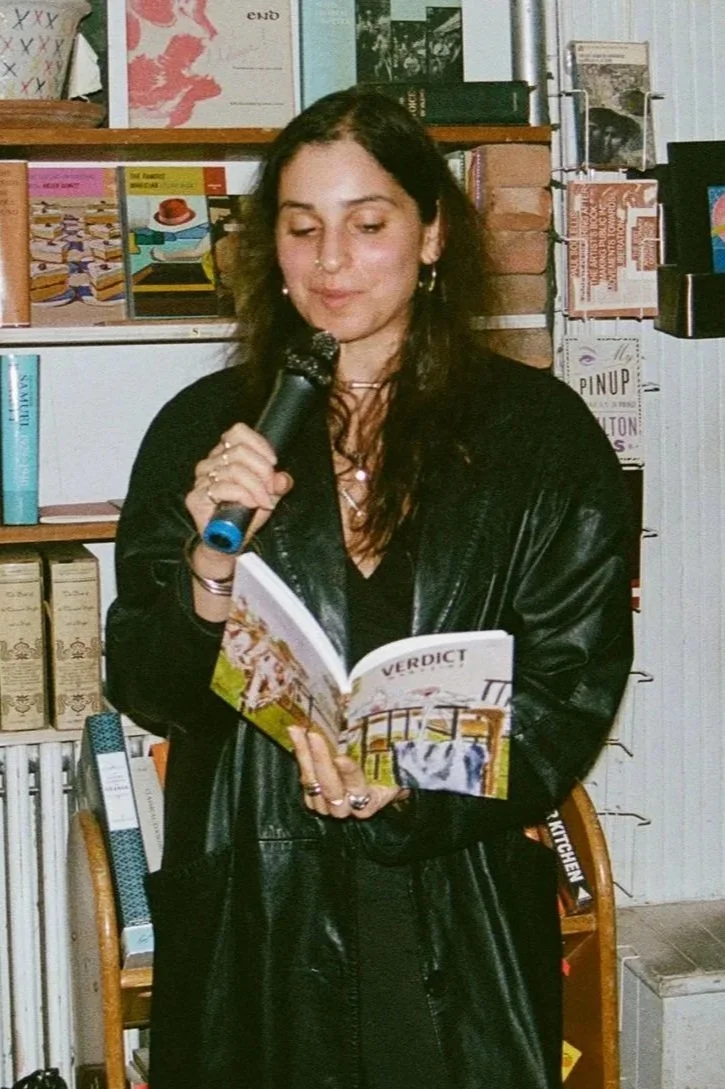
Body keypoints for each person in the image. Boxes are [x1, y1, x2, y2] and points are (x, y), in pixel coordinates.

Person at [105, 85, 635, 1089]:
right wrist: (208, 569)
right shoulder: (205, 429)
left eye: (367, 222)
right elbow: (147, 684)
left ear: (430, 234)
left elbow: (570, 687)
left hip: (451, 885)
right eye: (301, 229)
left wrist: (421, 782)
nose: (331, 260)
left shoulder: (536, 437)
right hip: (254, 899)